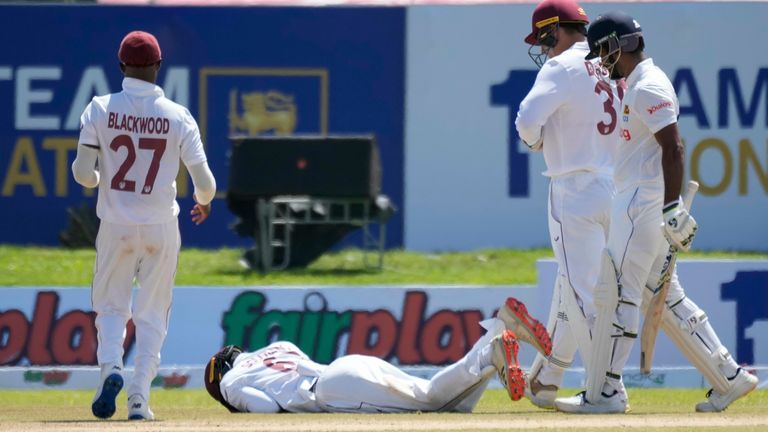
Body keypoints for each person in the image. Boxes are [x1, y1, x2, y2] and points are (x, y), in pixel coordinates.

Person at [554, 11, 758, 414]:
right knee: (668, 298)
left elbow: (674, 147)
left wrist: (670, 206)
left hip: (641, 206)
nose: (601, 62)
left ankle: (605, 392)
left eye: (602, 53)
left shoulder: (648, 86)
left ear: (617, 46)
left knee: (620, 295)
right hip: (643, 204)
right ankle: (729, 376)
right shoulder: (639, 83)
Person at [71, 30, 217, 421]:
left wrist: (98, 179)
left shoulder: (99, 109)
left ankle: (111, 368)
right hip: (161, 227)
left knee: (110, 307)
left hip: (115, 225)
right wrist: (204, 203)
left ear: (121, 66)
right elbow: (205, 184)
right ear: (158, 66)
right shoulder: (178, 116)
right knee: (153, 314)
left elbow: (83, 174)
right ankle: (139, 397)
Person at [512, 0, 622, 409]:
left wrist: (535, 141)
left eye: (543, 40)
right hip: (618, 187)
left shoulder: (560, 67)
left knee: (584, 296)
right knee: (575, 285)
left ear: (553, 30)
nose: (543, 49)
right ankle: (548, 378)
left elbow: (527, 120)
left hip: (575, 190)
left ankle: (607, 390)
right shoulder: (611, 62)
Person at [204, 298, 552, 413]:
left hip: (333, 390)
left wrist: (239, 407)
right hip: (345, 368)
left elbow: (266, 408)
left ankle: (491, 351)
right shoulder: (276, 347)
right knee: (452, 406)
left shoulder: (232, 381)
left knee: (432, 400)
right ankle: (496, 335)